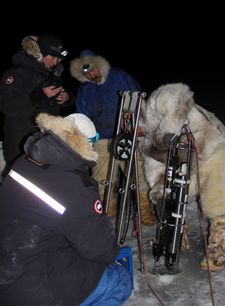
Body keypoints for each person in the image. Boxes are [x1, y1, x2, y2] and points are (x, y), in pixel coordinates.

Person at [0, 112, 133, 306]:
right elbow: (101, 249)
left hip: (8, 275)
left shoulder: (22, 163)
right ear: (86, 143)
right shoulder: (76, 186)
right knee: (120, 280)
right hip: (36, 292)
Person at [138, 83, 225, 271]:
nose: (137, 132)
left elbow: (178, 94)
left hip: (215, 147)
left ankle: (219, 248)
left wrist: (169, 130)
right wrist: (160, 196)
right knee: (171, 195)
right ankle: (175, 238)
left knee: (217, 200)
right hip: (186, 161)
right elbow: (155, 171)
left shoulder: (155, 103)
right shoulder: (144, 141)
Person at [70, 50, 155, 225]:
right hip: (101, 139)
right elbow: (82, 116)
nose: (92, 74)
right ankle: (108, 206)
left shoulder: (118, 76)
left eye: (93, 69)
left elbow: (137, 98)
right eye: (86, 73)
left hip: (126, 134)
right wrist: (85, 140)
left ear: (100, 65)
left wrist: (139, 123)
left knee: (137, 173)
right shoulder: (85, 89)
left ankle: (145, 207)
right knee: (101, 176)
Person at [0, 34, 74, 179]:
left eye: (59, 58)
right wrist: (39, 95)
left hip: (46, 145)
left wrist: (66, 98)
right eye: (53, 57)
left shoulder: (51, 75)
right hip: (20, 146)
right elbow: (7, 105)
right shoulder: (15, 74)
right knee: (19, 192)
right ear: (39, 54)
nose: (56, 62)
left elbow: (54, 104)